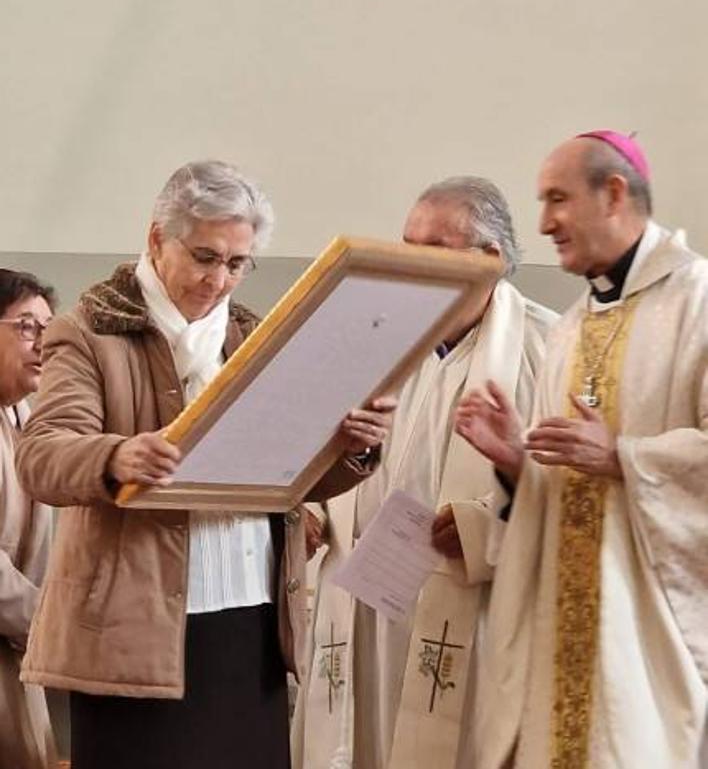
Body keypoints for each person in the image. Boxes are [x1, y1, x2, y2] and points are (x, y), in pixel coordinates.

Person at [15, 160, 396, 769]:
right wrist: (116, 454)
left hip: (251, 623)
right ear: (156, 239)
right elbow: (41, 454)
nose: (218, 280)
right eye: (204, 256)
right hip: (131, 636)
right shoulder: (88, 332)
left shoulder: (254, 336)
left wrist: (350, 448)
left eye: (236, 263)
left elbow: (284, 480)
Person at [456, 131, 708, 768]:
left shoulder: (698, 302)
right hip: (558, 636)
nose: (544, 223)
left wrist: (625, 455)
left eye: (557, 200)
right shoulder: (570, 328)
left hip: (644, 642)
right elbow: (564, 488)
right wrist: (516, 460)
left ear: (614, 193)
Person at [292, 177, 557, 769]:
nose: (408, 265)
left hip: (467, 608)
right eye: (406, 244)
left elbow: (573, 496)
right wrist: (312, 506)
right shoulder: (371, 341)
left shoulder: (547, 349)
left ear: (490, 260)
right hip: (360, 605)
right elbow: (325, 449)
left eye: (431, 248)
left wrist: (485, 528)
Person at [0, 269, 57, 769]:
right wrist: (57, 621)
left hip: (17, 651)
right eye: (25, 327)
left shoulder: (27, 419)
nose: (43, 342)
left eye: (48, 327)